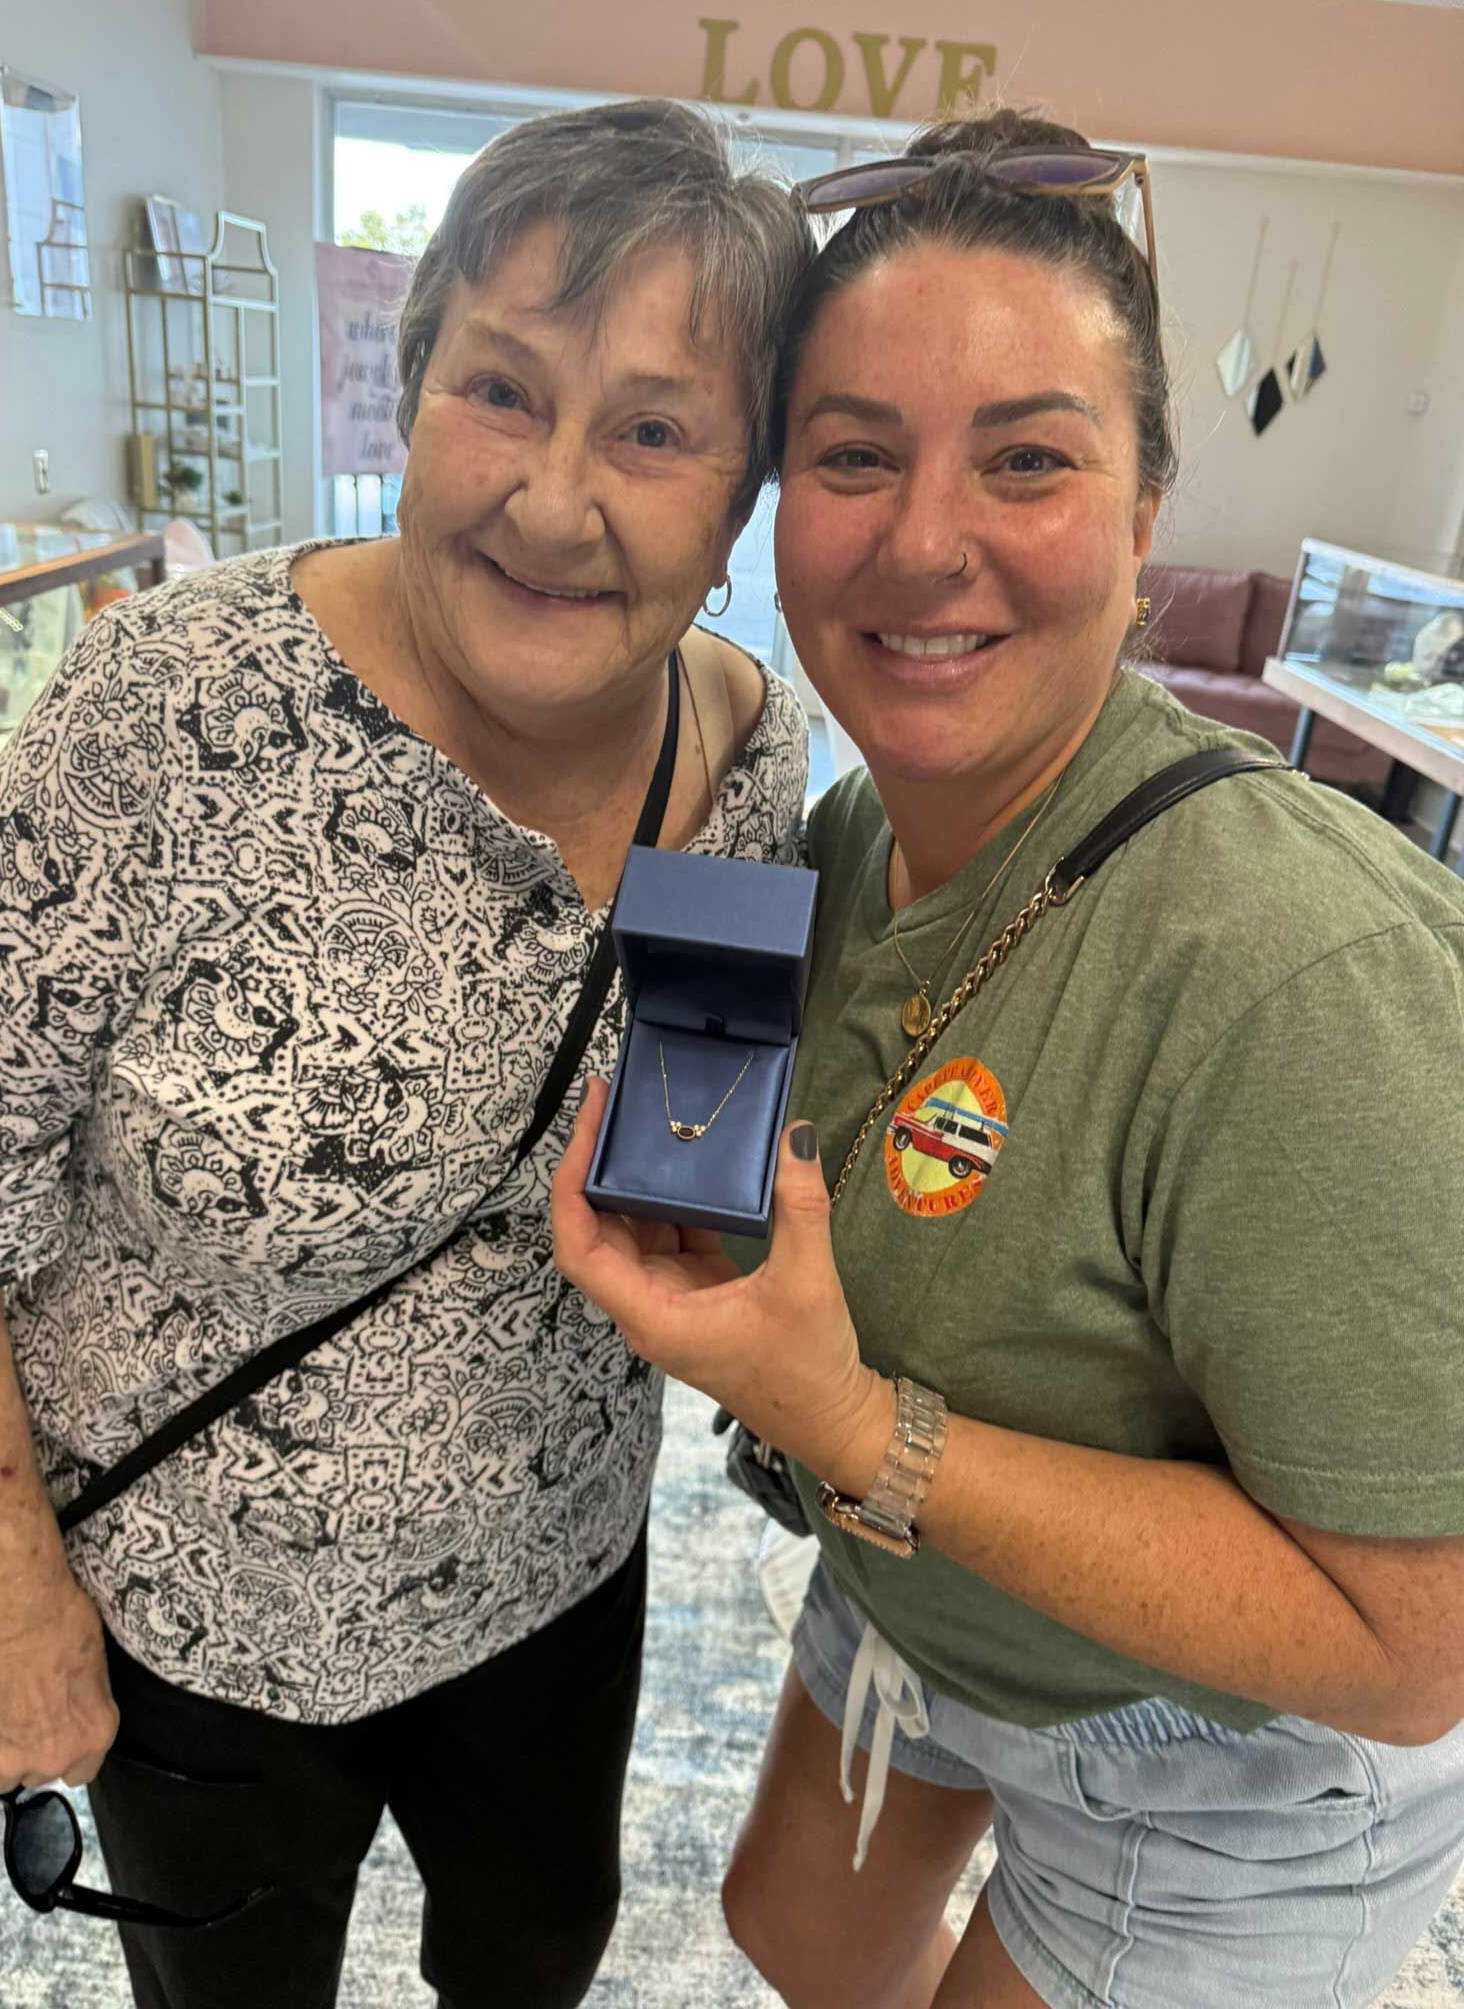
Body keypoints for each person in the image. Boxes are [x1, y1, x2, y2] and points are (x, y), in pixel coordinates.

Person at [551, 110, 1464, 2009]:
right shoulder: (850, 844)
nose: (924, 540)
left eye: (1029, 460)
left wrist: (855, 1426)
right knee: (792, 1939)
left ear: (1144, 519)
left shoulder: (1301, 978)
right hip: (933, 1609)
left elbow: (1413, 1640)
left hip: (1227, 1749)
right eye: (853, 456)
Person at [0, 99, 810, 2009]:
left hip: (563, 1580)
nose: (556, 497)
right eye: (501, 388)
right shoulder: (164, 716)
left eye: (654, 431)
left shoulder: (750, 767)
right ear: (408, 388)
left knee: (532, 1964)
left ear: (739, 504)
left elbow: (710, 1122)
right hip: (197, 1617)